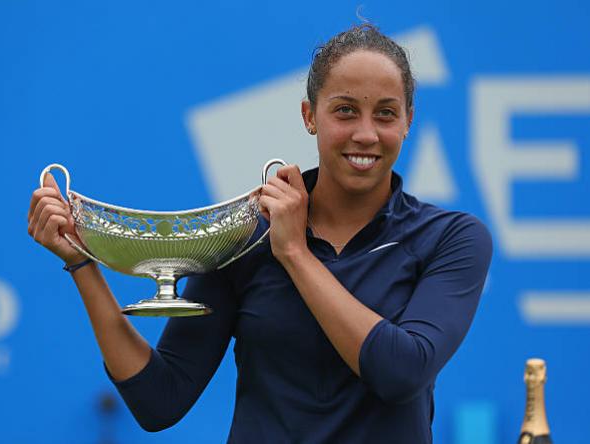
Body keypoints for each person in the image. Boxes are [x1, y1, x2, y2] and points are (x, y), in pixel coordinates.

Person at [27, 24, 492, 444]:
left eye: (386, 114)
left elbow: (400, 371)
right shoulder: (247, 235)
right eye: (345, 111)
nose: (366, 134)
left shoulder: (450, 238)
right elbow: (159, 400)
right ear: (310, 116)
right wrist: (81, 263)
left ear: (409, 120)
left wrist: (294, 253)